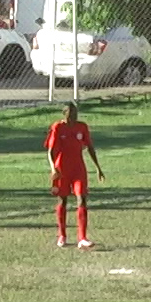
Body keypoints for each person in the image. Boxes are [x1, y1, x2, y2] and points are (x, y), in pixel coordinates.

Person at [45, 102, 105, 250]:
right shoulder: (58, 127)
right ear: (64, 114)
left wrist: (98, 167)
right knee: (63, 201)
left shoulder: (82, 127)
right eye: (71, 114)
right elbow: (50, 151)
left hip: (78, 169)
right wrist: (53, 169)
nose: (74, 116)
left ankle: (82, 238)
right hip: (62, 169)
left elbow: (90, 147)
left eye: (76, 113)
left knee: (82, 198)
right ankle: (62, 235)